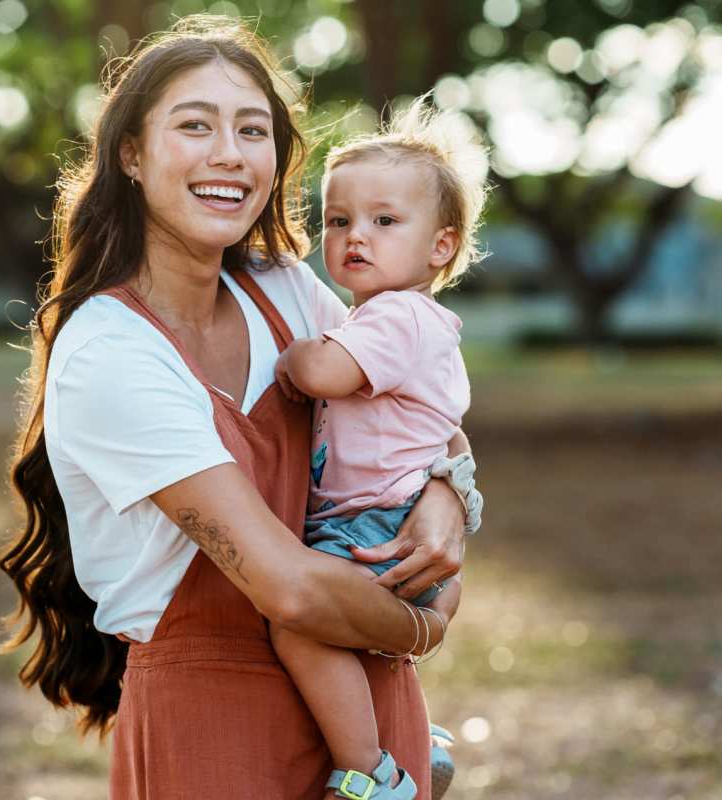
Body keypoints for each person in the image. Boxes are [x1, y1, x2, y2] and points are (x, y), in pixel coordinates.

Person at [0, 16, 474, 799]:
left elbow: (415, 399)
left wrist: (453, 493)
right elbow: (289, 590)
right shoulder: (111, 352)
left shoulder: (284, 289)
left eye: (253, 130)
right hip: (217, 727)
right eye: (195, 126)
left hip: (362, 699)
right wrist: (427, 623)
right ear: (132, 154)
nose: (229, 153)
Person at [269, 97, 488, 799]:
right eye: (338, 221)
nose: (355, 236)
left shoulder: (396, 317)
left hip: (375, 523)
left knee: (300, 629)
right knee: (350, 637)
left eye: (384, 221)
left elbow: (322, 373)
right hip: (381, 516)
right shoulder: (392, 317)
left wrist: (294, 356)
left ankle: (374, 772)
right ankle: (415, 740)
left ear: (441, 246)